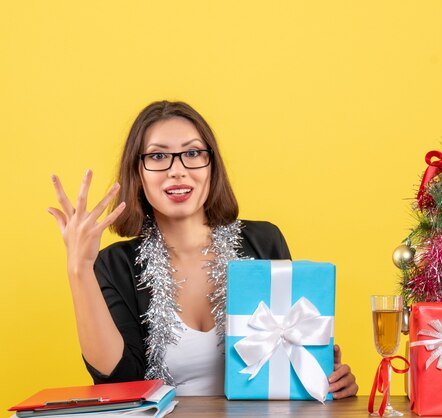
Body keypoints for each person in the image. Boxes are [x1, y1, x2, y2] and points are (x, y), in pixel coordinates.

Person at [48, 100, 358, 398]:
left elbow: (290, 358)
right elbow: (118, 381)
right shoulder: (116, 265)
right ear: (138, 174)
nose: (177, 170)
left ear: (211, 166)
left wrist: (327, 378)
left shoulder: (263, 241)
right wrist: (79, 268)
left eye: (193, 153)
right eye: (158, 156)